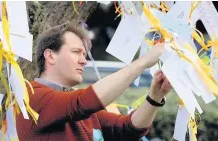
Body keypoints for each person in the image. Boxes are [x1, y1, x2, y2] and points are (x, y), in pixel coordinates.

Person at [16, 21, 172, 141]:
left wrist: (155, 97)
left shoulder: (79, 106)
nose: (84, 61)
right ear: (50, 56)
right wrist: (143, 62)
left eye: (84, 54)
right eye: (76, 52)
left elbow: (128, 128)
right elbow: (84, 102)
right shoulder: (32, 96)